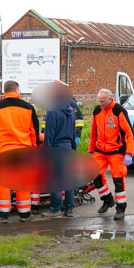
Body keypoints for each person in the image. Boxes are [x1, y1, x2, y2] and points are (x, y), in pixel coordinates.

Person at [0, 80, 40, 222]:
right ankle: (25, 214)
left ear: (5, 91)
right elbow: (34, 132)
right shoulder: (28, 108)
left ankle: (3, 215)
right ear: (17, 90)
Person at [88, 88, 134, 220]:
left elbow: (129, 133)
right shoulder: (97, 111)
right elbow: (93, 133)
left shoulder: (119, 111)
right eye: (99, 101)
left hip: (116, 151)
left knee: (118, 180)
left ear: (110, 99)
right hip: (100, 150)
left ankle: (120, 208)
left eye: (103, 101)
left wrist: (129, 153)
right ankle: (108, 199)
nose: (100, 103)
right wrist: (91, 151)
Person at [42, 85, 77, 219]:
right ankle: (69, 208)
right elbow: (73, 133)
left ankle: (55, 210)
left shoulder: (53, 111)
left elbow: (49, 133)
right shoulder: (70, 111)